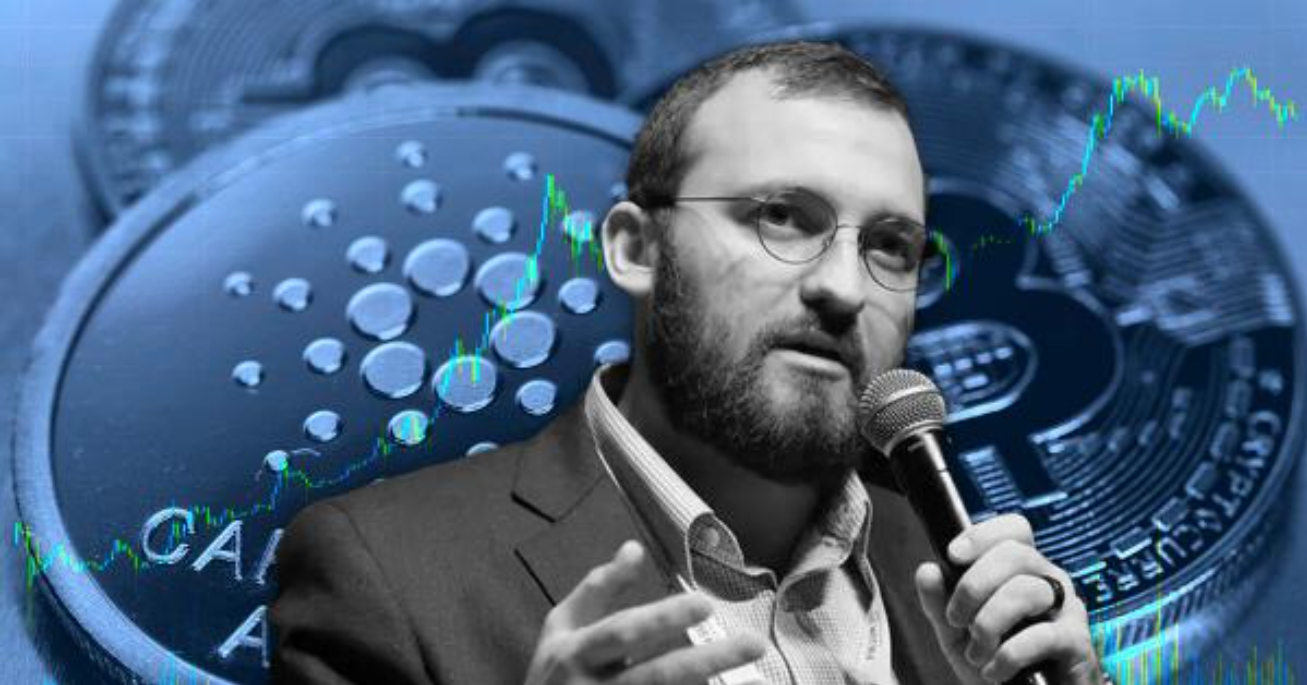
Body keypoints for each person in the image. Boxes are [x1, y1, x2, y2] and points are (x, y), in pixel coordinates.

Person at [270, 41, 1106, 685]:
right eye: (782, 216)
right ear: (636, 248)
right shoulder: (381, 571)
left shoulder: (969, 587)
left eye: (890, 246)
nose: (844, 287)